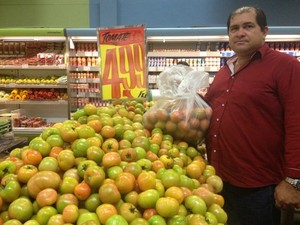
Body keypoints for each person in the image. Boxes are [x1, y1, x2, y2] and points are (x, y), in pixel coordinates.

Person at [203, 6, 300, 225]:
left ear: (264, 31)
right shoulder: (224, 70)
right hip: (218, 181)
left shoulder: (286, 66)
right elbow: (207, 112)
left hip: (258, 187)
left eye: (248, 26)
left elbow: (297, 124)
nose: (240, 33)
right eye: (234, 28)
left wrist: (293, 182)